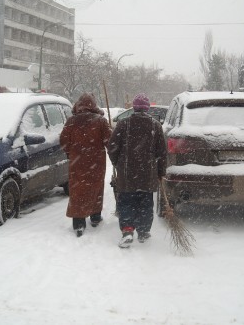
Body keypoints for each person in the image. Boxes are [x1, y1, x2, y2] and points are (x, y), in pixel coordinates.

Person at [108, 93, 167, 248]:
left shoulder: (123, 124)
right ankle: (143, 231)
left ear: (133, 107)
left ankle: (127, 230)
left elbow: (112, 147)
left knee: (126, 202)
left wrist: (117, 164)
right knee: (145, 203)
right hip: (147, 175)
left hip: (127, 174)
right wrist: (161, 172)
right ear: (147, 108)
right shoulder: (155, 126)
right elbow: (162, 153)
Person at [60, 93, 112, 237]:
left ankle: (78, 223)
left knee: (78, 191)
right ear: (93, 105)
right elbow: (109, 141)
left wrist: (71, 153)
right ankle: (95, 217)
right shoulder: (100, 121)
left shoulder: (71, 121)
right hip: (96, 163)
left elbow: (63, 141)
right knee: (96, 188)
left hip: (77, 163)